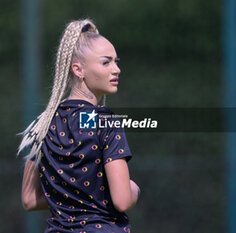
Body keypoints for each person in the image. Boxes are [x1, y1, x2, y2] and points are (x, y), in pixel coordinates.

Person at [18, 19, 140, 233]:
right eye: (106, 62)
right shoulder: (106, 122)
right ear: (78, 69)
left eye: (116, 61)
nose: (117, 69)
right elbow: (122, 200)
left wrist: (71, 197)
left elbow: (29, 199)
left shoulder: (43, 123)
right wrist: (134, 189)